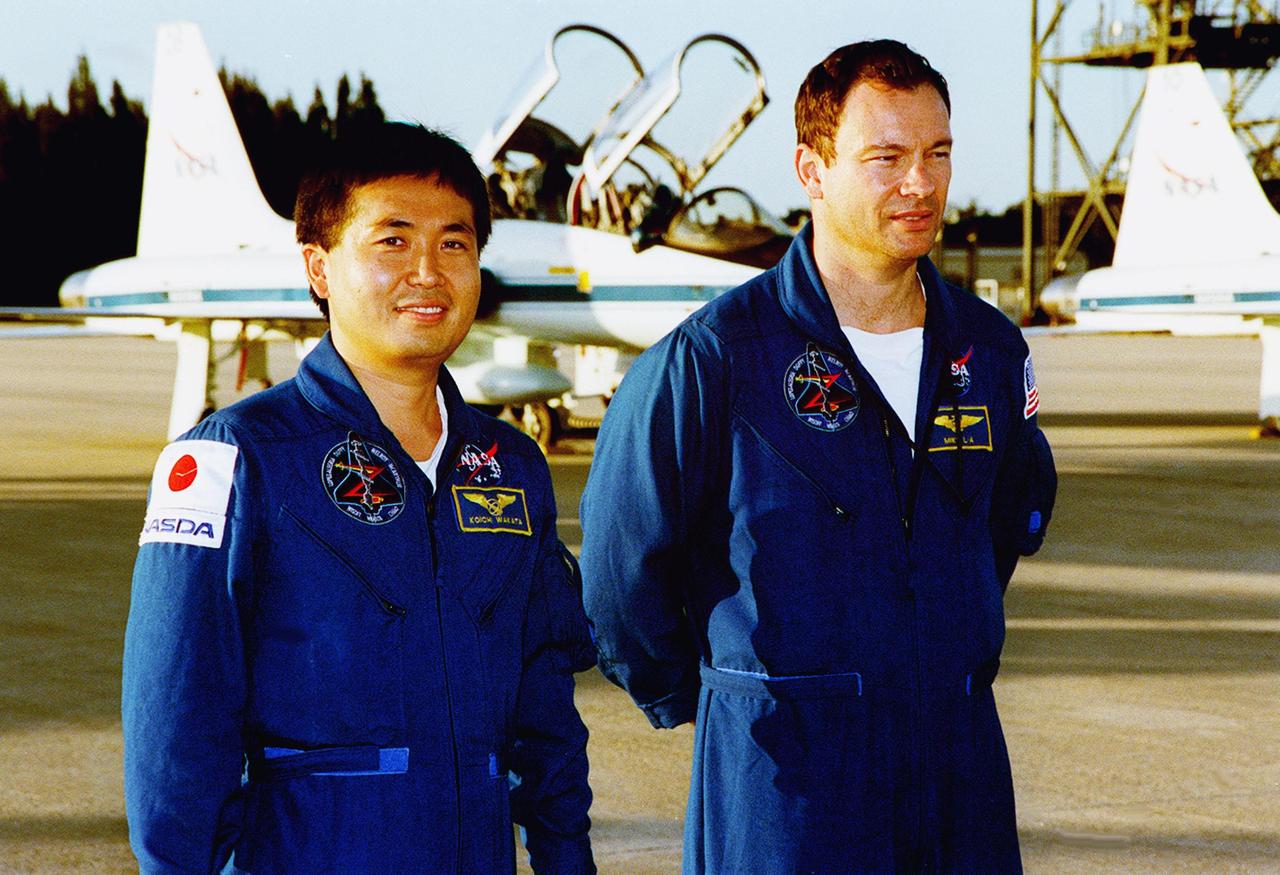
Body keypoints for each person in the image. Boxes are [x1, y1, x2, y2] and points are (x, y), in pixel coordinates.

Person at [579, 40, 1056, 873]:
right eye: (887, 158)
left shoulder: (988, 350)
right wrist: (724, 696)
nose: (921, 183)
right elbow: (622, 574)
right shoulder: (715, 359)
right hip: (785, 782)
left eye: (938, 153)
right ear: (812, 170)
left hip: (960, 770)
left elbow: (1001, 525)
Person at [122, 123, 596, 874]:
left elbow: (546, 711)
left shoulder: (510, 466)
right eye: (393, 241)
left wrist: (568, 860)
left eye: (454, 243)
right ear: (319, 267)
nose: (428, 272)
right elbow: (176, 727)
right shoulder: (235, 459)